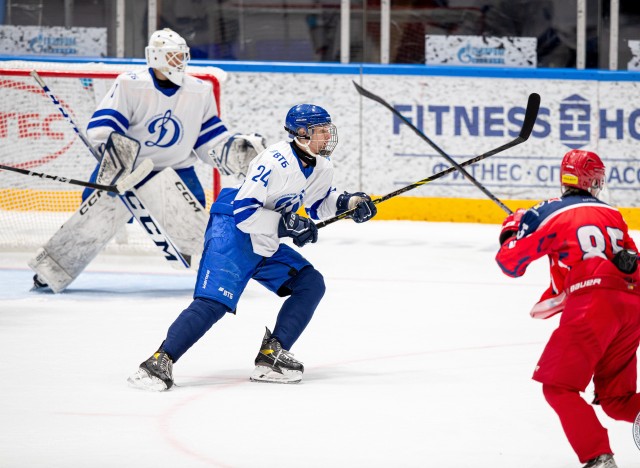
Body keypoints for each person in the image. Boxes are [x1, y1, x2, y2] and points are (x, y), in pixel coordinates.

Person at [127, 103, 378, 390]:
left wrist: (350, 203)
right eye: (320, 131)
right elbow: (245, 212)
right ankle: (158, 362)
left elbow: (320, 206)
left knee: (310, 283)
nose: (326, 136)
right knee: (213, 303)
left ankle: (272, 355)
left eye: (326, 130)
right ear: (301, 133)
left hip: (263, 236)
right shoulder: (273, 161)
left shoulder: (322, 165)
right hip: (231, 230)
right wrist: (287, 224)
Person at [31, 28, 264, 292]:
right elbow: (106, 123)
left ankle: (221, 275)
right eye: (172, 56)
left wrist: (231, 151)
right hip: (126, 169)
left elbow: (207, 139)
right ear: (155, 57)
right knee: (90, 221)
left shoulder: (199, 90)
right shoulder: (130, 83)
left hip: (176, 169)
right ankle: (51, 270)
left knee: (198, 232)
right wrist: (110, 146)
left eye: (181, 56)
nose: (179, 62)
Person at [495, 149, 640, 468]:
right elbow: (631, 260)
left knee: (559, 387)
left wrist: (511, 230)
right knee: (619, 401)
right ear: (594, 180)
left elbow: (510, 263)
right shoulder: (613, 215)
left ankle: (598, 458)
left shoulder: (547, 212)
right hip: (633, 306)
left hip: (595, 303)